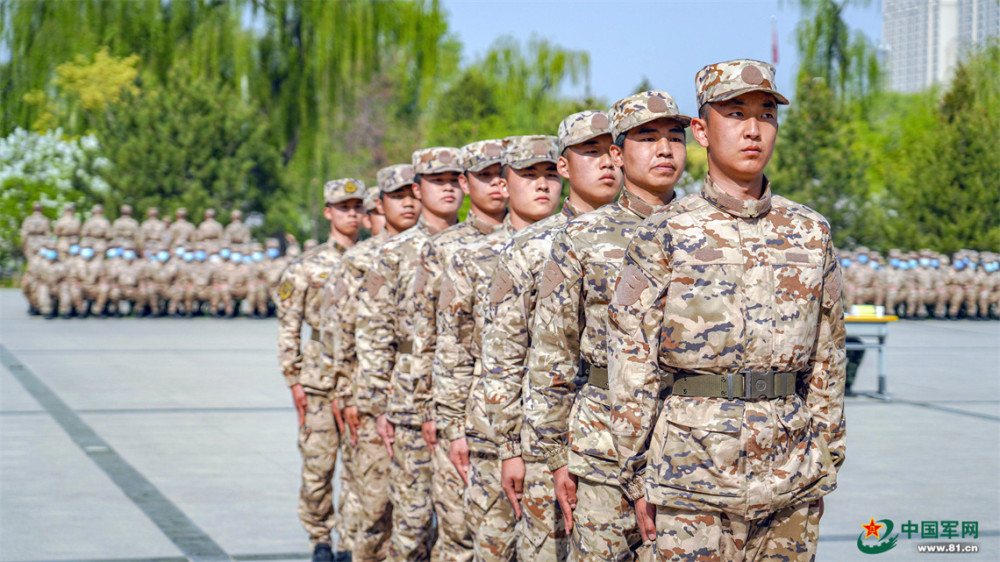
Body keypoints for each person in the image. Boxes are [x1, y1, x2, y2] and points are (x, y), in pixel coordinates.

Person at [607, 59, 846, 560]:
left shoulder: (810, 232)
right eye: (735, 114)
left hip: (790, 473)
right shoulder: (666, 232)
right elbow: (632, 359)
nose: (754, 129)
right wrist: (634, 473)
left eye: (766, 114)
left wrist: (826, 456)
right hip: (691, 476)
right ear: (701, 131)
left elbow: (829, 355)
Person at [523, 95, 688, 561]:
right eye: (647, 138)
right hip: (602, 450)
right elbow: (552, 352)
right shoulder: (581, 237)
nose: (664, 150)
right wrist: (556, 455)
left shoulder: (705, 232)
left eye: (674, 138)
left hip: (690, 449)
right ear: (618, 154)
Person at [480, 115, 621, 561]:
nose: (606, 164)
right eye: (591, 152)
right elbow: (503, 355)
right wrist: (509, 448)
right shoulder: (532, 248)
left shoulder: (653, 237)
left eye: (611, 151)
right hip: (546, 442)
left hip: (622, 441)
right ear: (565, 166)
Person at [435, 135, 562, 561]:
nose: (541, 186)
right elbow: (454, 345)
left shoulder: (575, 244)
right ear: (506, 185)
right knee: (492, 545)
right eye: (529, 176)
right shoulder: (471, 255)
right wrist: (454, 427)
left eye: (549, 175)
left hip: (554, 430)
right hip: (489, 428)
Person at [355, 147, 464, 560]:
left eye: (455, 180)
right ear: (418, 190)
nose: (449, 189)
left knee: (459, 522)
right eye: (439, 181)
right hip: (406, 403)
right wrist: (379, 404)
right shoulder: (393, 253)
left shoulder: (480, 247)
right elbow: (373, 334)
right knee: (412, 519)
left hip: (461, 407)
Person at [409, 139, 509, 562]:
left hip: (504, 409)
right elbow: (429, 334)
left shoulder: (536, 240)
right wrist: (432, 411)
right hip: (462, 405)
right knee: (458, 531)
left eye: (502, 175)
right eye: (485, 176)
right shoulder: (447, 249)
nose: (497, 185)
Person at [326, 164, 420, 561]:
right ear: (379, 205)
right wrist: (345, 393)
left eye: (413, 194)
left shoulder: (434, 250)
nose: (409, 203)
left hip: (417, 397)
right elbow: (340, 333)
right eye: (398, 197)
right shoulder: (361, 259)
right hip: (370, 398)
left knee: (414, 511)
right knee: (374, 502)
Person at [277, 179, 366, 562]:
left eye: (356, 207)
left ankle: (348, 538)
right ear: (328, 212)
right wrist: (292, 377)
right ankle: (319, 537)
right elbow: (288, 325)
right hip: (318, 379)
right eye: (342, 207)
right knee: (318, 465)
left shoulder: (373, 258)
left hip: (361, 377)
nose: (350, 214)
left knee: (358, 463)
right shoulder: (305, 266)